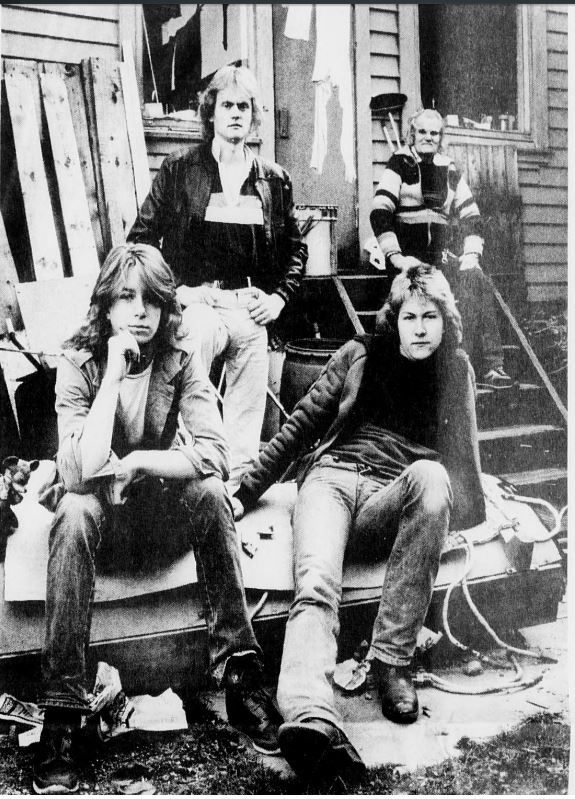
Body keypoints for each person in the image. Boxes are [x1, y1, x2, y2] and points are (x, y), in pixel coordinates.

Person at [33, 244, 281, 795]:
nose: (140, 311)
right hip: (100, 521)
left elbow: (215, 453)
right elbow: (76, 471)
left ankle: (241, 678)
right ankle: (62, 717)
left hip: (155, 515)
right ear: (106, 304)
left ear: (167, 307)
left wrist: (142, 462)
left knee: (211, 494)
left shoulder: (179, 355)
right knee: (72, 511)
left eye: (151, 300)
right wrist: (112, 376)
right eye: (126, 298)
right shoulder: (77, 360)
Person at [233, 264, 486, 783]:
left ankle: (392, 663)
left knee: (432, 476)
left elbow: (464, 457)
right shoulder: (360, 353)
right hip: (331, 480)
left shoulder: (455, 369)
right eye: (410, 317)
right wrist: (244, 492)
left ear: (446, 321)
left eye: (431, 317)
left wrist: (453, 509)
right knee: (316, 583)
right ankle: (309, 716)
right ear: (395, 319)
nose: (420, 328)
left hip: (391, 495)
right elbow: (300, 425)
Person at [128, 65, 307, 495]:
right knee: (188, 380)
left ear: (253, 115)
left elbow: (295, 251)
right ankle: (180, 475)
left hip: (248, 305)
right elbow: (141, 239)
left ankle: (234, 490)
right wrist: (176, 292)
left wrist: (278, 299)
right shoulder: (179, 169)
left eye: (244, 106)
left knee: (247, 410)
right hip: (197, 303)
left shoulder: (274, 179)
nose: (236, 114)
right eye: (227, 105)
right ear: (211, 112)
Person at [370, 107, 513, 389]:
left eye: (434, 133)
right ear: (412, 134)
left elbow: (472, 216)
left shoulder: (449, 168)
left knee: (477, 280)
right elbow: (380, 211)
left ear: (440, 137)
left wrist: (471, 254)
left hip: (440, 258)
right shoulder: (399, 163)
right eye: (422, 132)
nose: (428, 137)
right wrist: (396, 257)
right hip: (407, 259)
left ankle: (490, 366)